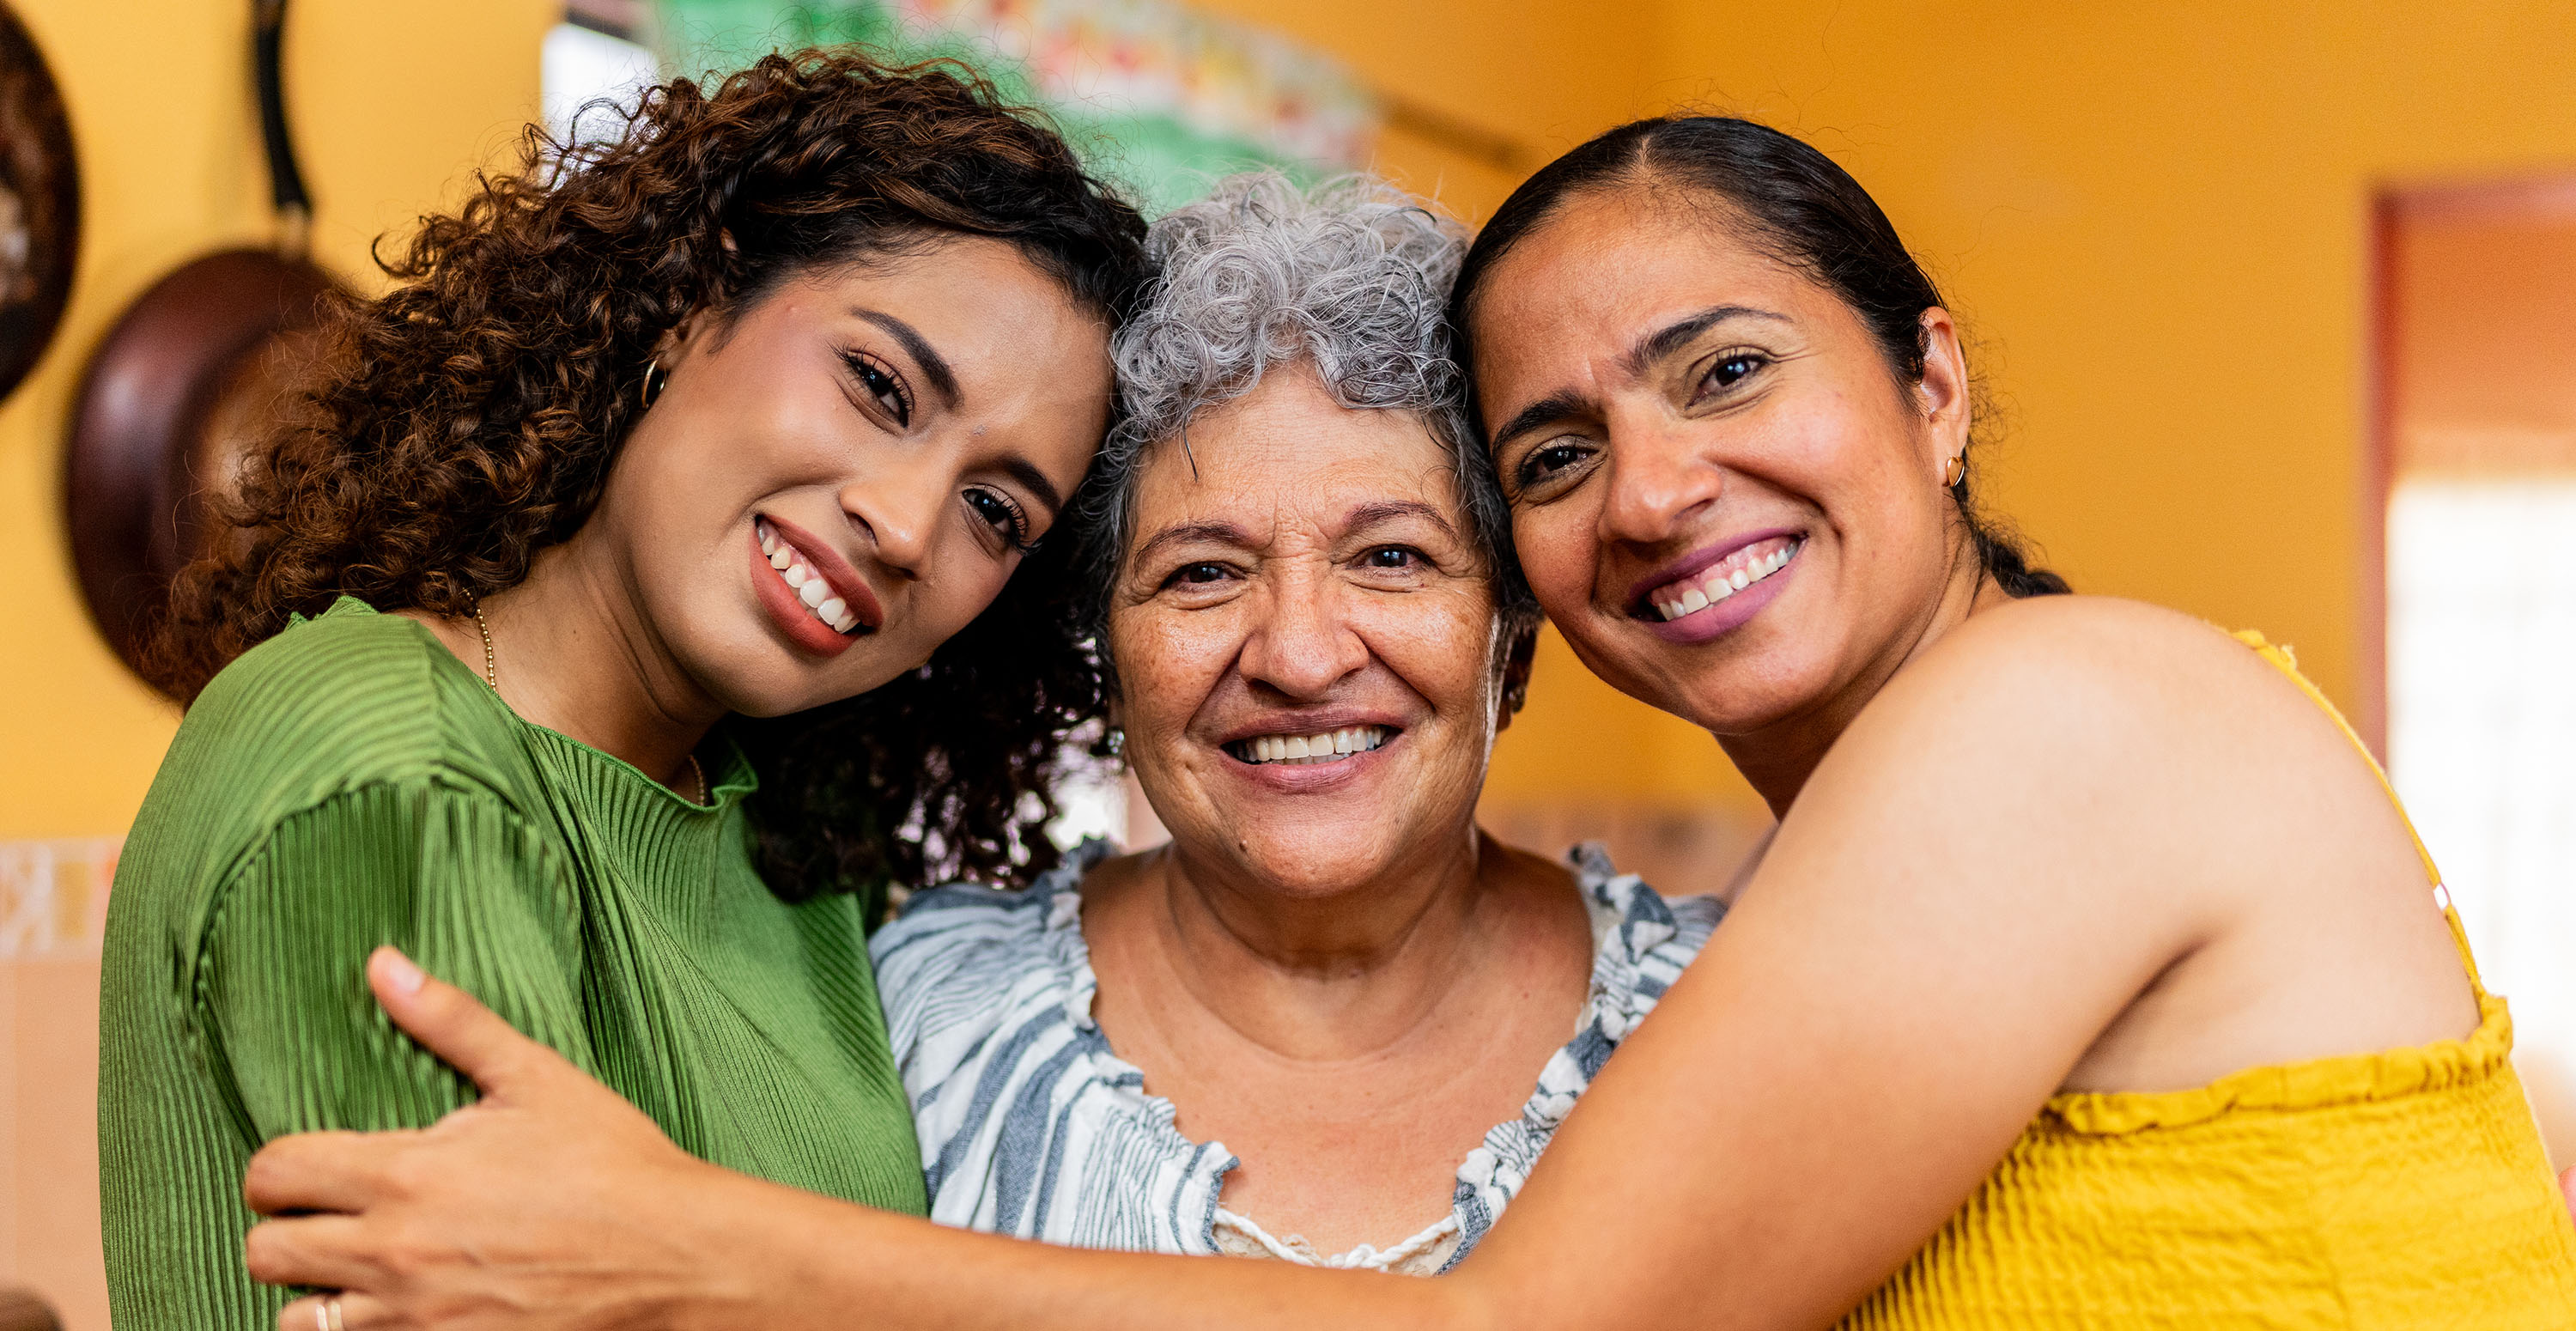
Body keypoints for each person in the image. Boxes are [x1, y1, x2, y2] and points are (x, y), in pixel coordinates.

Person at [237, 117, 2576, 1328]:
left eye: (1729, 368)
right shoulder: (884, 1007)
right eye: (1558, 449)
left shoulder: (2056, 727)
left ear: (1935, 380)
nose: (1654, 488)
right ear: (1095, 653)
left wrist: (703, 1246)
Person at [95, 51, 1145, 1328]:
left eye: (996, 508)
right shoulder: (389, 772)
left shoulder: (788, 853)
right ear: (693, 302)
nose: (911, 523)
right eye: (880, 386)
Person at [873, 173, 1720, 1273]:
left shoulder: (1710, 1019)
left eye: (1391, 557)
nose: (1303, 656)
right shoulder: (929, 1015)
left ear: (1511, 638)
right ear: (1110, 666)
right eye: (1203, 572)